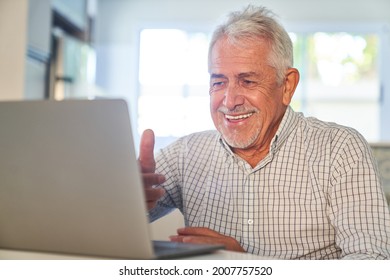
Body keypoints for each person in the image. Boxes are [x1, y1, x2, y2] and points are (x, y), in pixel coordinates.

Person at [138, 5, 390, 259]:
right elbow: (108, 221)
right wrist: (124, 197)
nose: (230, 100)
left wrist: (249, 263)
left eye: (247, 81)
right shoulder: (186, 154)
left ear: (287, 85)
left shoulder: (340, 150)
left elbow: (371, 262)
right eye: (218, 82)